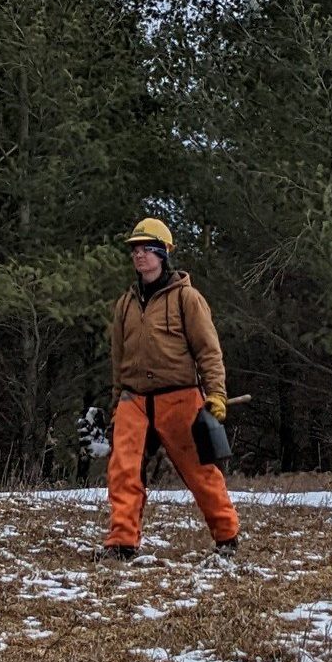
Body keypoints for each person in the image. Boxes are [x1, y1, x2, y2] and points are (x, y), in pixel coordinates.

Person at [104, 217, 239, 561]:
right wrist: (116, 402)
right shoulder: (125, 303)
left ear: (163, 254)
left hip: (180, 397)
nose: (139, 256)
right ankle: (122, 543)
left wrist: (216, 394)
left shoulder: (188, 299)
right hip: (133, 399)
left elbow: (208, 351)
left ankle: (227, 538)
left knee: (201, 472)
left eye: (147, 249)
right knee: (123, 472)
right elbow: (118, 358)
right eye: (135, 249)